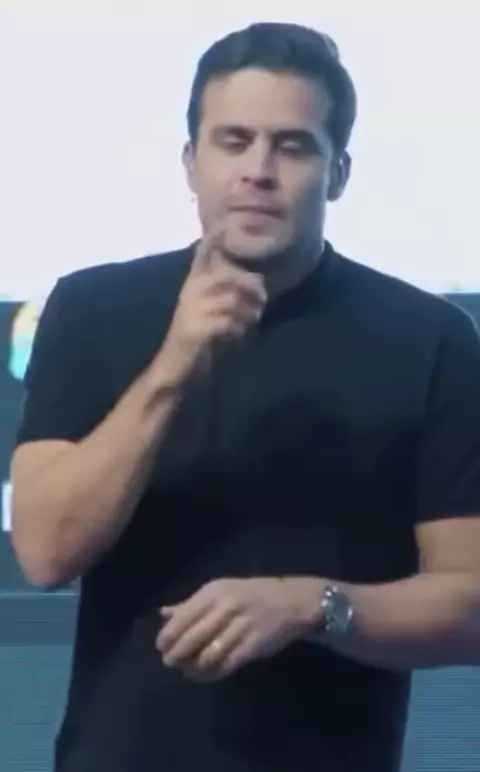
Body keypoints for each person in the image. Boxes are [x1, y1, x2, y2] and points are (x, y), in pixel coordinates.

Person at [10, 21, 480, 772]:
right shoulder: (92, 309)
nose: (258, 171)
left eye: (292, 146)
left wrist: (312, 605)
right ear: (191, 163)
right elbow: (45, 553)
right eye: (233, 142)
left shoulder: (431, 338)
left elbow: (471, 605)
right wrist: (175, 363)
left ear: (337, 174)